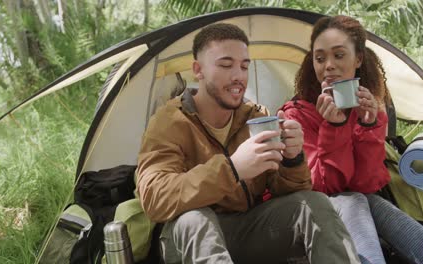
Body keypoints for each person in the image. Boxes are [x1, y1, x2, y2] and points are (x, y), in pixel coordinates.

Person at [137, 23, 361, 264]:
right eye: (225, 65)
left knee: (314, 203)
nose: (238, 76)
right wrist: (232, 169)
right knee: (195, 219)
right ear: (198, 70)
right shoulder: (169, 121)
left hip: (246, 231)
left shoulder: (255, 116)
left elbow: (285, 193)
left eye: (244, 66)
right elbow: (154, 198)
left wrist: (292, 159)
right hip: (186, 240)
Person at [279, 15, 423, 264]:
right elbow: (323, 189)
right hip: (304, 210)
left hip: (357, 203)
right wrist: (334, 127)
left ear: (358, 59)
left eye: (339, 55)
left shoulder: (369, 112)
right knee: (353, 199)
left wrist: (368, 127)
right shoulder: (297, 114)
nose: (329, 66)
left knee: (367, 200)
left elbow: (366, 185)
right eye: (320, 58)